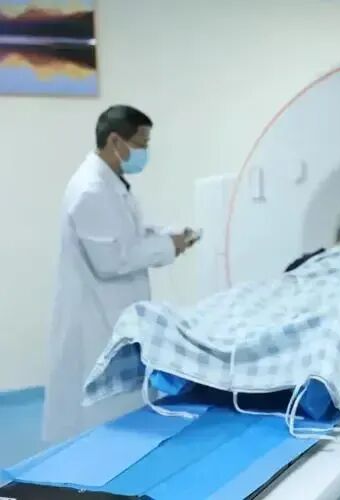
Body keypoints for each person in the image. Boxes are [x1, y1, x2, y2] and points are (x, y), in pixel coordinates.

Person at [43, 105, 200, 443]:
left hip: (112, 310)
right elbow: (112, 260)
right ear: (115, 141)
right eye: (141, 143)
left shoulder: (110, 183)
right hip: (93, 317)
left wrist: (168, 236)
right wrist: (167, 246)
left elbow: (127, 235)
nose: (145, 152)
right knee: (92, 416)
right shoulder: (90, 189)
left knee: (117, 407)